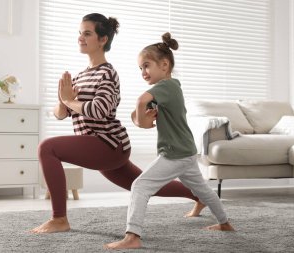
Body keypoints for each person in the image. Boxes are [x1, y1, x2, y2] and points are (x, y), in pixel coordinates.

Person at [30, 14, 205, 234]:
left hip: (108, 144)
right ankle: (199, 195)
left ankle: (59, 219)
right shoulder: (80, 76)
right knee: (143, 185)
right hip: (99, 145)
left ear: (103, 39)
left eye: (87, 33)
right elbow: (60, 114)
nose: (80, 38)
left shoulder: (108, 74)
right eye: (79, 33)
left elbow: (98, 111)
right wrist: (63, 100)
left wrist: (68, 100)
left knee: (47, 148)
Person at [104, 32, 234, 250]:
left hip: (175, 152)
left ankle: (132, 235)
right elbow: (140, 115)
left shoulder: (164, 87)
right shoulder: (170, 88)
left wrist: (141, 118)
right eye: (140, 68)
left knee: (140, 186)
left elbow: (141, 101)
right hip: (186, 151)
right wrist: (140, 119)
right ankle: (225, 223)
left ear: (164, 65)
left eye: (146, 66)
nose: (143, 72)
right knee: (202, 190)